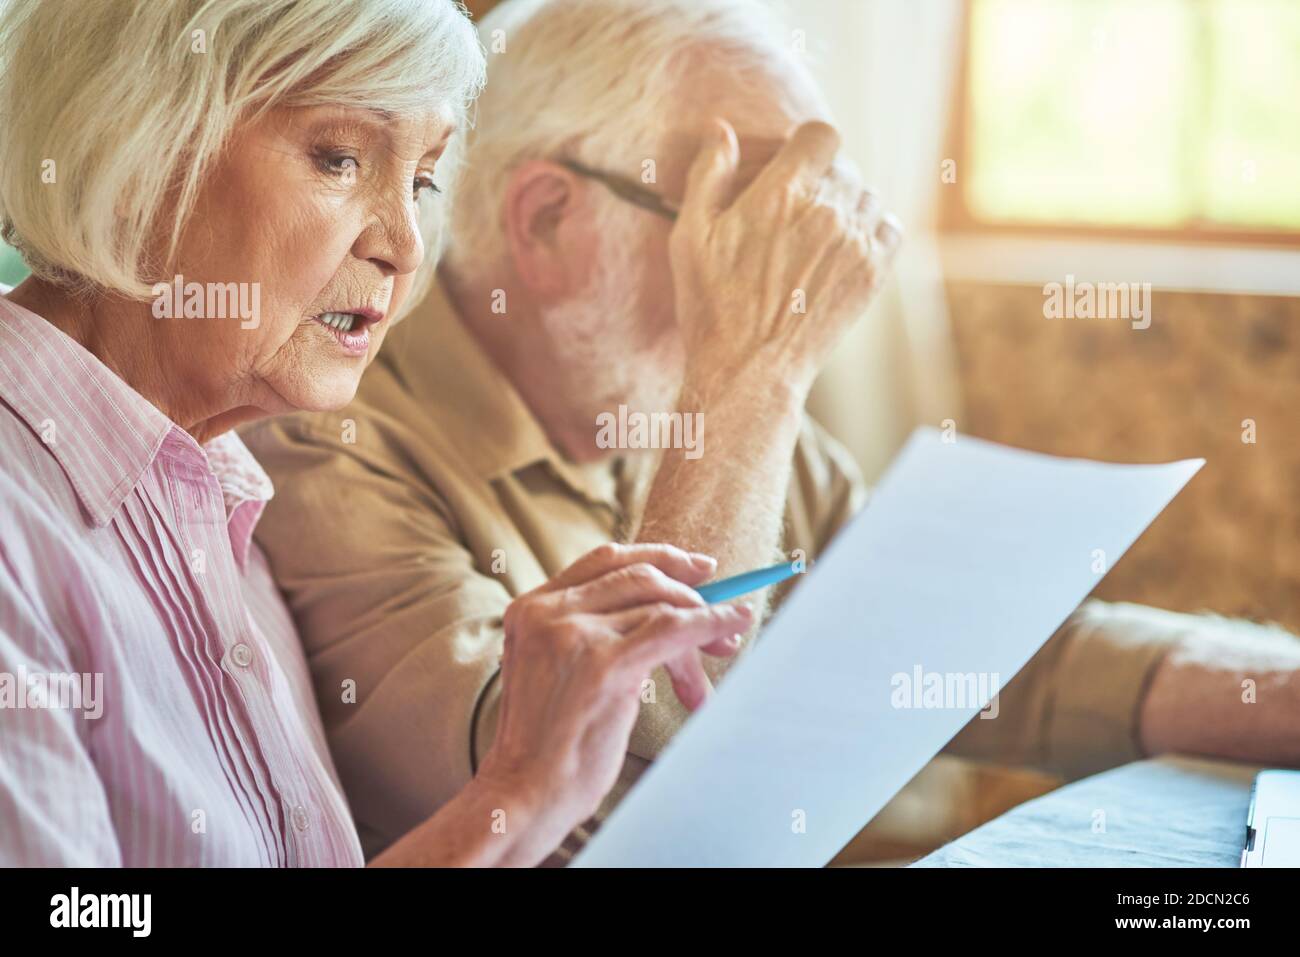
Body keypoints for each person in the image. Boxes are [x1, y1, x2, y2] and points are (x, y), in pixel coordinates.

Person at [246, 0, 1300, 865]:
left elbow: (984, 649)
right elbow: (595, 820)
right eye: (752, 222)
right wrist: (748, 377)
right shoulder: (324, 442)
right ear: (547, 221)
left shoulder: (694, 407)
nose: (805, 271)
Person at [0, 0, 763, 867]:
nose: (404, 244)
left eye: (423, 180)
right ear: (130, 144)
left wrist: (524, 788)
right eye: (339, 159)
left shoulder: (220, 499)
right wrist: (511, 795)